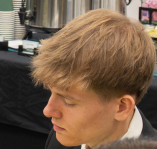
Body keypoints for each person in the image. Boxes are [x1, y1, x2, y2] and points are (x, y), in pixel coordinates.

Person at [32, 9, 157, 149]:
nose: (48, 111)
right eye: (51, 92)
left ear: (122, 107)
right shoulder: (61, 138)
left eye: (68, 101)